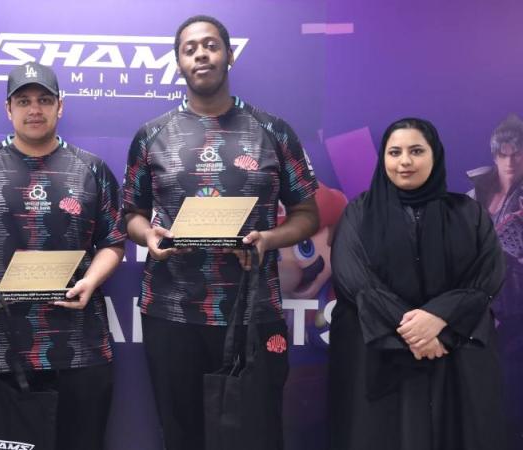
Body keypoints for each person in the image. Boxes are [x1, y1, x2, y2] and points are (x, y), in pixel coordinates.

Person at [122, 15, 319, 450]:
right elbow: (130, 214)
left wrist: (269, 240)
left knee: (256, 434)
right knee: (182, 434)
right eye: (190, 49)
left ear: (229, 55)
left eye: (211, 45)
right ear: (178, 62)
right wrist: (148, 237)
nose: (201, 55)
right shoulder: (151, 136)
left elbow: (307, 214)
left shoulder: (273, 131)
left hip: (253, 310)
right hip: (171, 312)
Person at [0, 62, 126, 450]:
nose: (34, 109)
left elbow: (114, 242)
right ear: (8, 109)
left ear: (60, 106)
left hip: (81, 346)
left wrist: (91, 281)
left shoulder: (91, 169)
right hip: (4, 348)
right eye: (23, 101)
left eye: (44, 100)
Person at [328, 118, 506, 450]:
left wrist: (439, 319)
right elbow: (355, 279)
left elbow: (487, 275)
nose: (405, 161)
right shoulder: (360, 213)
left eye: (416, 151)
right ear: (383, 158)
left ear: (434, 155)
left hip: (452, 346)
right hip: (381, 352)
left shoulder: (468, 213)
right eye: (394, 152)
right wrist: (415, 330)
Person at [466, 113, 523, 445]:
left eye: (518, 153)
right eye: (504, 153)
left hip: (516, 307)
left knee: (511, 386)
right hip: (478, 304)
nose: (511, 161)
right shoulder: (478, 192)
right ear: (495, 155)